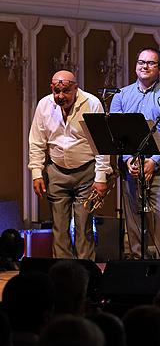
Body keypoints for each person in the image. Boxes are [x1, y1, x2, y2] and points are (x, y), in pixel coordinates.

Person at [28, 70, 112, 260]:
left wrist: (101, 178)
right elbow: (37, 142)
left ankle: (85, 274)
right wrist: (37, 173)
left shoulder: (91, 103)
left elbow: (101, 144)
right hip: (56, 171)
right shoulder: (44, 105)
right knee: (59, 228)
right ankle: (62, 275)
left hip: (86, 172)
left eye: (65, 91)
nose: (60, 96)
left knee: (83, 227)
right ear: (52, 88)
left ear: (76, 87)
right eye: (56, 91)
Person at [110, 48, 160, 259]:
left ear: (159, 68)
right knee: (133, 220)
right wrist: (128, 159)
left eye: (151, 63)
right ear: (135, 66)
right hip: (131, 165)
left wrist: (153, 161)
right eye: (141, 62)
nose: (145, 66)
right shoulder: (121, 95)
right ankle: (137, 267)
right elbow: (116, 131)